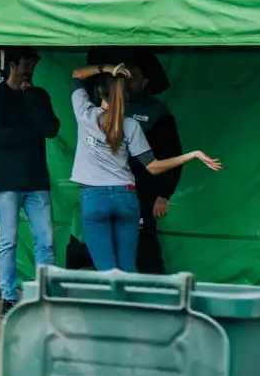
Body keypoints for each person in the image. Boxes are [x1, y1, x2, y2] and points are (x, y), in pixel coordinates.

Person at [69, 61, 219, 272]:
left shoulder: (85, 114)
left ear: (100, 91)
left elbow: (77, 74)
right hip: (126, 197)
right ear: (126, 95)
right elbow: (153, 166)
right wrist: (191, 155)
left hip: (95, 197)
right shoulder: (131, 125)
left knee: (106, 270)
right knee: (128, 268)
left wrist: (107, 68)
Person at [0, 48, 60, 315]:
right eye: (26, 65)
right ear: (13, 66)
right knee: (8, 241)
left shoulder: (38, 96)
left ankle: (43, 294)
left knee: (46, 240)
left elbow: (51, 129)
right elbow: (0, 137)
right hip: (6, 180)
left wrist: (30, 98)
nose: (30, 71)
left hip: (37, 179)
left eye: (33, 66)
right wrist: (32, 132)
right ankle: (8, 296)